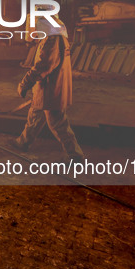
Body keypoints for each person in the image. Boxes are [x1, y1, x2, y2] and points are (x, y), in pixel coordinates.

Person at [13, 12, 85, 163]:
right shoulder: (53, 35)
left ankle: (75, 156)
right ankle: (23, 142)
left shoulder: (52, 39)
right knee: (35, 115)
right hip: (45, 88)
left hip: (51, 89)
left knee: (57, 122)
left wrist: (25, 83)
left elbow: (43, 65)